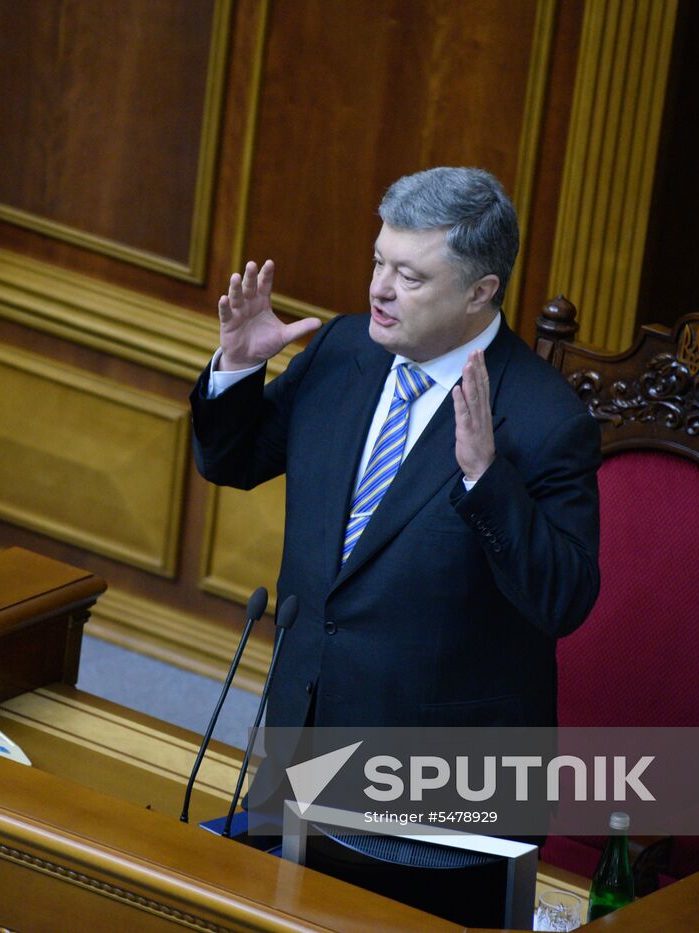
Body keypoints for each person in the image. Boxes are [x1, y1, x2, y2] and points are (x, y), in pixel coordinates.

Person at [190, 166, 601, 732]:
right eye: (379, 261)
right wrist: (238, 367)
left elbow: (563, 602)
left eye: (409, 276)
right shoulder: (342, 348)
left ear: (479, 292)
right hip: (304, 715)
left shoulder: (545, 418)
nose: (379, 288)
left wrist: (485, 477)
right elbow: (231, 463)